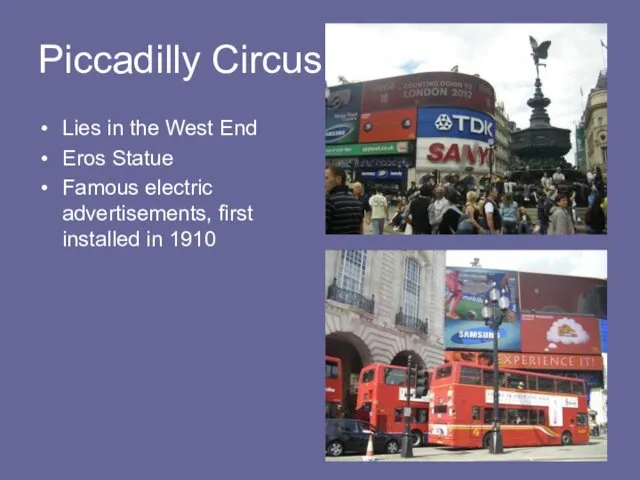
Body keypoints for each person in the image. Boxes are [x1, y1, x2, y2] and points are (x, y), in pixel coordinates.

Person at [326, 165, 363, 234]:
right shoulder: (357, 202)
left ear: (338, 179)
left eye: (326, 178)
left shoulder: (329, 202)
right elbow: (360, 230)